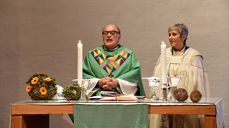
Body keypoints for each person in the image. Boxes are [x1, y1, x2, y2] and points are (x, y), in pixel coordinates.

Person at [152, 23, 210, 128]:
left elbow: (197, 85)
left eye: (174, 34)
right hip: (167, 103)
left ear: (183, 37)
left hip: (185, 104)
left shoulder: (194, 57)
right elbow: (158, 79)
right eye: (169, 34)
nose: (170, 37)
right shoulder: (164, 55)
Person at [83, 24, 145, 97]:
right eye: (105, 33)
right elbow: (83, 76)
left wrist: (117, 82)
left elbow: (135, 77)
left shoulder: (128, 55)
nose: (108, 35)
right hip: (97, 97)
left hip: (121, 98)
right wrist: (98, 82)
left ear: (119, 37)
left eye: (113, 33)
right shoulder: (92, 55)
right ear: (102, 37)